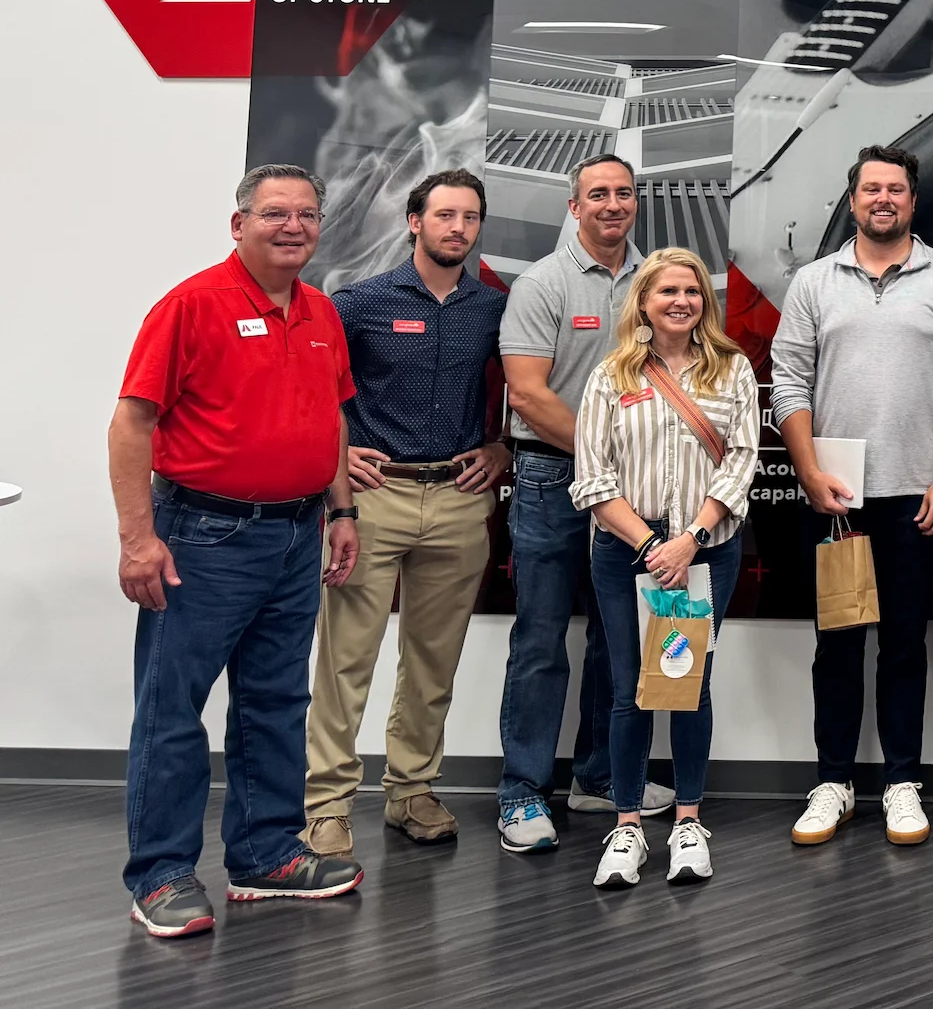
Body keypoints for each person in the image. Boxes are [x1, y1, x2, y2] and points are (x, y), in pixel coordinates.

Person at [111, 165, 365, 938]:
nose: (292, 227)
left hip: (297, 535)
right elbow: (131, 425)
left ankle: (264, 853)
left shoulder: (321, 310)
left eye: (307, 215)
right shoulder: (192, 305)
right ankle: (160, 874)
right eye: (274, 214)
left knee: (276, 700)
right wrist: (137, 537)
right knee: (172, 706)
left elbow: (331, 418)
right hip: (202, 534)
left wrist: (342, 508)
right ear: (239, 223)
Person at [773, 145, 933, 850]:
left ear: (912, 201)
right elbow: (789, 384)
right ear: (854, 198)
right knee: (835, 643)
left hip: (920, 499)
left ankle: (900, 781)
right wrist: (808, 475)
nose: (883, 199)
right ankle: (833, 780)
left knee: (904, 644)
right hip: (837, 498)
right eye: (871, 188)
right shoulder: (813, 281)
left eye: (895, 188)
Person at [304, 169, 508, 856]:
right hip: (375, 497)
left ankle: (411, 789)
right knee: (346, 658)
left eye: (471, 217)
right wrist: (341, 464)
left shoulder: (492, 309)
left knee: (432, 658)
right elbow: (318, 393)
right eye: (445, 214)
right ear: (414, 221)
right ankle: (327, 803)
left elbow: (524, 385)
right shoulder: (358, 303)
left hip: (457, 497)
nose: (459, 227)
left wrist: (504, 448)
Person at [573, 250, 758, 890]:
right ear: (644, 301)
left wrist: (690, 539)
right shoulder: (610, 375)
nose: (682, 301)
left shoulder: (732, 370)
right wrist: (655, 544)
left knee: (688, 684)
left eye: (693, 292)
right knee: (631, 691)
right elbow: (592, 479)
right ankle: (626, 826)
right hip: (626, 555)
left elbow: (740, 463)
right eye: (667, 291)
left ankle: (686, 822)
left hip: (707, 552)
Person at [495, 154, 664, 854]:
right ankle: (522, 791)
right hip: (550, 479)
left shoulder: (659, 280)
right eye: (598, 194)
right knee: (540, 639)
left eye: (624, 193)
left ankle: (598, 775)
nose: (613, 204)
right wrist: (602, 458)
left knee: (617, 636)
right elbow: (528, 393)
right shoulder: (544, 282)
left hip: (634, 487)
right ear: (574, 206)